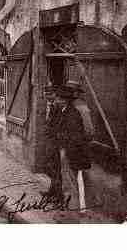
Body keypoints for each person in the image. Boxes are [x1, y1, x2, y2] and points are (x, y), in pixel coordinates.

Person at [54, 81, 93, 211]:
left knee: (74, 179)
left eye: (71, 91)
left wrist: (73, 145)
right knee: (71, 178)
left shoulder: (79, 109)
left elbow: (86, 131)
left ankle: (75, 207)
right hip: (72, 147)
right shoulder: (69, 108)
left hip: (75, 148)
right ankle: (73, 204)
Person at [41, 85, 63, 200]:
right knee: (50, 166)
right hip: (49, 140)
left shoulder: (58, 107)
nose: (47, 97)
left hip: (55, 141)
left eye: (50, 94)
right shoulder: (50, 105)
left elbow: (58, 125)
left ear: (55, 94)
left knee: (55, 167)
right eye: (46, 95)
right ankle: (52, 190)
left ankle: (58, 194)